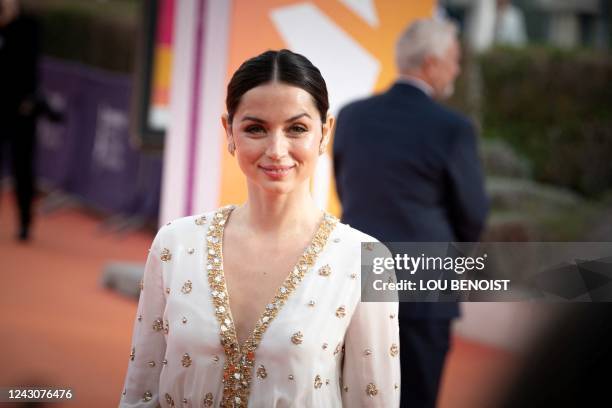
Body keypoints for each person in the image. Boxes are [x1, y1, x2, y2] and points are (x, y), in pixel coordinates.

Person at [120, 49, 400, 407]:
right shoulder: (175, 244)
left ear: (325, 132)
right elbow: (140, 394)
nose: (276, 150)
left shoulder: (364, 259)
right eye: (256, 128)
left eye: (297, 128)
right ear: (229, 131)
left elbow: (372, 401)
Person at [333, 18, 489, 408]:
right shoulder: (453, 128)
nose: (456, 69)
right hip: (426, 286)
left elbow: (346, 187)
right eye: (453, 60)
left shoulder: (352, 116)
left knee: (352, 394)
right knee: (418, 395)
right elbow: (473, 213)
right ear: (432, 64)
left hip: (357, 280)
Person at [0, 0, 40, 241]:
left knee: (22, 169)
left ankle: (25, 223)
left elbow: (29, 64)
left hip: (21, 113)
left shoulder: (28, 27)